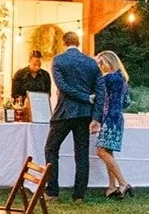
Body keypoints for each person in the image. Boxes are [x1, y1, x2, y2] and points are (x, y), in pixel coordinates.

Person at [44, 31, 105, 202]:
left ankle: (52, 191)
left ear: (64, 43)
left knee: (51, 149)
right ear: (78, 43)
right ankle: (79, 194)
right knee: (81, 153)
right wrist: (96, 117)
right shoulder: (92, 64)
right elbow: (101, 91)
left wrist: (84, 97)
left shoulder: (58, 60)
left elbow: (62, 86)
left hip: (64, 112)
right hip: (84, 114)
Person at [95, 50, 133, 198]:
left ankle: (123, 183)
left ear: (107, 62)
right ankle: (111, 187)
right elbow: (126, 103)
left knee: (101, 151)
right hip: (118, 118)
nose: (100, 66)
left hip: (109, 118)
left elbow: (98, 95)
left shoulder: (108, 78)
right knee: (109, 152)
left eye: (101, 63)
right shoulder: (122, 79)